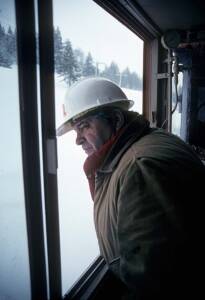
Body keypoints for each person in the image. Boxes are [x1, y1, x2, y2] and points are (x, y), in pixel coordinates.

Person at [57, 77, 205, 299]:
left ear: (115, 119)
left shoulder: (140, 169)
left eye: (84, 126)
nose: (78, 140)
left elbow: (154, 280)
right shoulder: (144, 142)